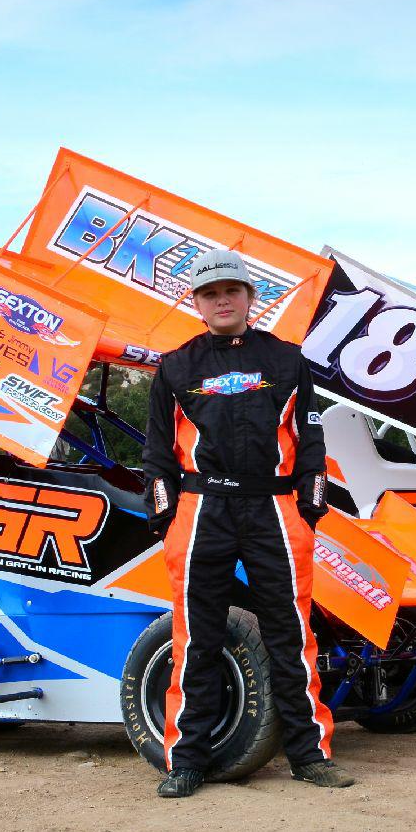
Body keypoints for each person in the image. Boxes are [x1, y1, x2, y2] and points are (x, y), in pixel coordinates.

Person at [143, 250, 355, 797]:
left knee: (291, 635)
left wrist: (309, 507)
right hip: (201, 509)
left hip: (274, 509)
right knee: (196, 640)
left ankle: (310, 756)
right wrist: (166, 515)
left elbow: (311, 441)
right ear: (195, 302)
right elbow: (157, 454)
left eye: (231, 291)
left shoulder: (287, 360)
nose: (221, 301)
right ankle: (185, 761)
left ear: (248, 297)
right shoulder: (174, 366)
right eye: (210, 293)